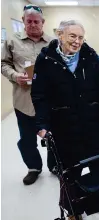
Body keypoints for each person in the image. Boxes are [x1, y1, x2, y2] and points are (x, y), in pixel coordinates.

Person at [31, 20, 99, 218]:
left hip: (94, 121)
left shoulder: (90, 56)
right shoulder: (46, 59)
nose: (77, 41)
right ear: (59, 35)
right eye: (72, 36)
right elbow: (40, 96)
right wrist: (42, 124)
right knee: (70, 170)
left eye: (81, 37)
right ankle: (73, 209)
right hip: (64, 123)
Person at [1, 4, 54, 185]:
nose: (32, 24)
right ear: (23, 21)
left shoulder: (53, 43)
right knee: (27, 138)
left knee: (54, 134)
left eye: (36, 21)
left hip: (49, 101)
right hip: (24, 100)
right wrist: (15, 76)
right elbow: (3, 64)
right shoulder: (12, 41)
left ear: (43, 23)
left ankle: (54, 165)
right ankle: (34, 167)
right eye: (28, 21)